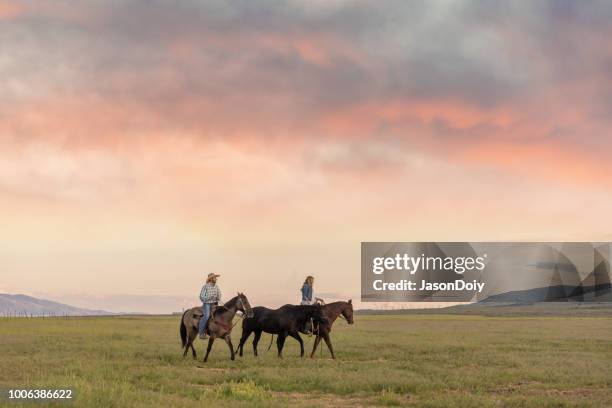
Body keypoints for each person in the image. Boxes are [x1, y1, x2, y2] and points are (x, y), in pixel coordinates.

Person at [199, 273, 222, 339]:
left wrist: (218, 297)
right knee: (206, 316)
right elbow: (201, 296)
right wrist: (210, 297)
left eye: (216, 278)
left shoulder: (216, 286)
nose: (216, 279)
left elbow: (219, 294)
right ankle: (201, 333)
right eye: (214, 278)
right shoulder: (205, 286)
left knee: (221, 314)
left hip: (215, 303)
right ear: (211, 279)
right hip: (207, 304)